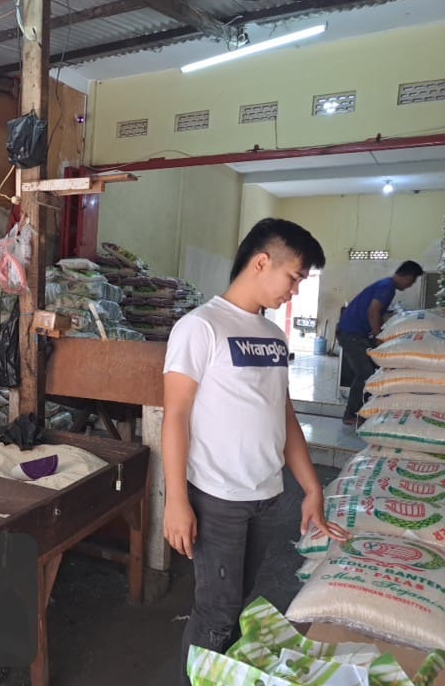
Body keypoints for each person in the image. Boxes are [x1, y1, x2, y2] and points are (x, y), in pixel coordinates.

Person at [162, 218, 347, 684]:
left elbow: (284, 416)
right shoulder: (200, 327)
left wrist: (311, 489)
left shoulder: (274, 336)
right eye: (294, 277)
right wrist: (176, 500)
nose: (295, 290)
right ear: (262, 262)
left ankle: (219, 675)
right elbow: (176, 415)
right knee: (216, 613)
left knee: (235, 603)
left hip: (266, 496)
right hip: (218, 498)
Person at [336, 260, 424, 425]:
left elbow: (376, 313)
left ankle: (361, 413)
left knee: (369, 373)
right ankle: (355, 415)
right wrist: (378, 338)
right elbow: (373, 311)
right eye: (412, 282)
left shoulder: (385, 285)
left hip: (354, 333)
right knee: (367, 375)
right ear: (407, 277)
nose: (410, 286)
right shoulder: (387, 287)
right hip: (351, 334)